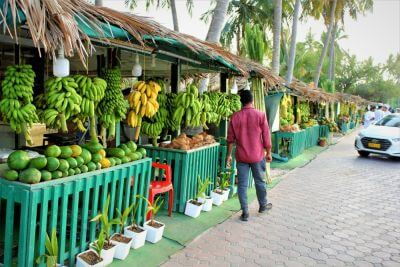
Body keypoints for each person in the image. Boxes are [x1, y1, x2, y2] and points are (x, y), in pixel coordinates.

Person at [226, 90, 272, 222]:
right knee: (260, 181)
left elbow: (230, 139)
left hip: (241, 157)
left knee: (242, 185)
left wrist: (228, 156)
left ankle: (245, 212)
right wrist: (268, 152)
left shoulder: (235, 117)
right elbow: (266, 136)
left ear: (241, 101)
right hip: (257, 156)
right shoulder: (260, 115)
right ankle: (263, 205)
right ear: (252, 101)